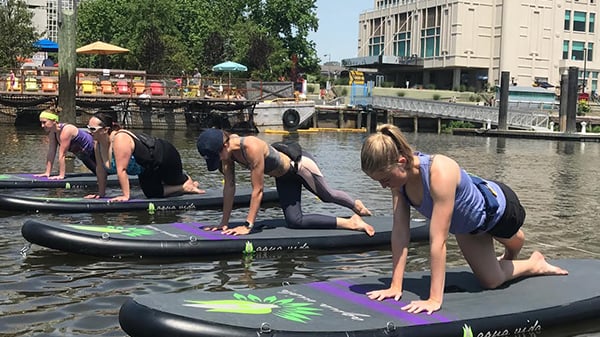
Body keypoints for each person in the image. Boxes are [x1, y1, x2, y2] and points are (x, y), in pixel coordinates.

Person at [360, 124, 568, 315]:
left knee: (509, 238)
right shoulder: (399, 184)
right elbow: (400, 233)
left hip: (500, 211)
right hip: (468, 228)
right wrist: (396, 285)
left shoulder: (438, 171)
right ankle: (523, 255)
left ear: (402, 162)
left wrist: (433, 299)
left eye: (385, 180)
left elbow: (439, 240)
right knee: (492, 281)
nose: (383, 186)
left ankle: (531, 259)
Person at [196, 128, 374, 236]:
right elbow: (229, 187)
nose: (218, 160)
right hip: (283, 177)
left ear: (225, 145)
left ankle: (355, 205)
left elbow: (257, 190)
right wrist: (223, 223)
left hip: (300, 167)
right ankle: (352, 222)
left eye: (216, 156)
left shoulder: (251, 147)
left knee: (327, 196)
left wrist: (247, 225)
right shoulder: (226, 152)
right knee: (295, 221)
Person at [84, 112, 204, 202]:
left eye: (93, 129)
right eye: (88, 128)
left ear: (105, 130)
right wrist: (101, 194)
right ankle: (185, 187)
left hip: (164, 155)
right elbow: (100, 169)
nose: (89, 132)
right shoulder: (97, 144)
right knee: (152, 194)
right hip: (147, 167)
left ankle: (185, 180)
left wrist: (126, 196)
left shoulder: (120, 139)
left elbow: (122, 170)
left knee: (173, 180)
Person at [35, 107, 96, 179]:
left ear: (54, 121)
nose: (42, 125)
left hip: (96, 151)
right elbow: (51, 152)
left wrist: (61, 175)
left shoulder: (66, 131)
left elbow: (62, 155)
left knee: (108, 173)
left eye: (44, 122)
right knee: (97, 173)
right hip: (84, 157)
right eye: (41, 123)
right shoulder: (52, 133)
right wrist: (47, 172)